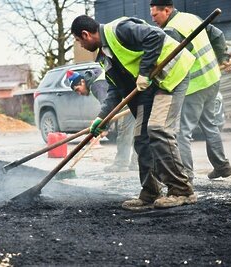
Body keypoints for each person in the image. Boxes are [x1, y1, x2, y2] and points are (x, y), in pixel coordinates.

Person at [71, 14, 197, 210]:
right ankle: (150, 192)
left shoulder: (119, 29)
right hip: (151, 86)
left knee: (158, 129)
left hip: (172, 75)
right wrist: (101, 118)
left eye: (78, 40)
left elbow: (155, 36)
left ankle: (182, 190)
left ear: (86, 34)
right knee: (141, 137)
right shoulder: (105, 57)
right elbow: (114, 91)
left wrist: (145, 72)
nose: (80, 45)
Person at [149, 0, 231, 182]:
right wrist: (219, 59)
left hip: (195, 86)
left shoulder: (171, 30)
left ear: (167, 10)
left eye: (155, 15)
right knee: (210, 125)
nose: (153, 20)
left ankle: (186, 174)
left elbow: (172, 64)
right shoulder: (190, 18)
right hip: (212, 78)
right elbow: (218, 36)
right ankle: (222, 166)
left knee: (182, 132)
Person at [66, 69, 138, 172]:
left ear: (82, 81)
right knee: (137, 132)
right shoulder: (96, 79)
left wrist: (104, 126)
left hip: (127, 101)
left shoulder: (96, 85)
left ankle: (121, 164)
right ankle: (136, 163)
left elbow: (108, 106)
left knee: (125, 132)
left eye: (78, 89)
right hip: (131, 97)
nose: (79, 93)